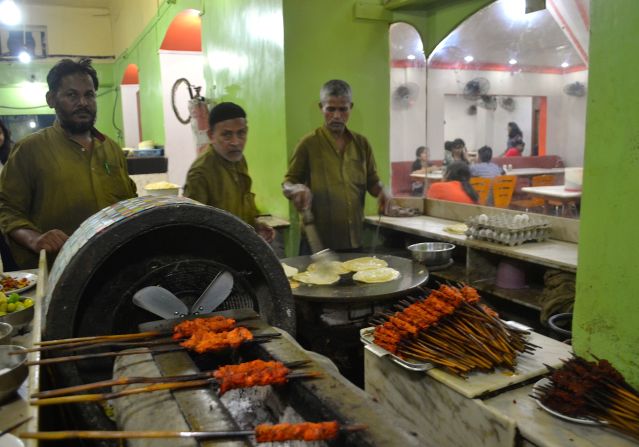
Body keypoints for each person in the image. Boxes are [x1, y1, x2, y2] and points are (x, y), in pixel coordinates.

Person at [0, 58, 137, 269]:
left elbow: (130, 203)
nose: (82, 102)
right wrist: (35, 239)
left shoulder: (112, 150)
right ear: (51, 99)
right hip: (58, 274)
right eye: (72, 95)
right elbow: (7, 209)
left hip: (113, 269)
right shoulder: (30, 150)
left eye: (89, 95)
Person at [282, 79, 386, 252]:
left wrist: (384, 192)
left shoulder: (362, 144)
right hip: (316, 244)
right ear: (321, 107)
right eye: (330, 109)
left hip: (353, 242)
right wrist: (295, 189)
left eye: (342, 109)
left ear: (350, 107)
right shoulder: (308, 144)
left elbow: (373, 181)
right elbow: (287, 182)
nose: (337, 116)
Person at [183, 102, 274, 243]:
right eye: (227, 135)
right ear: (211, 135)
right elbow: (192, 228)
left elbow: (241, 208)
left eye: (241, 133)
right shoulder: (200, 173)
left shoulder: (238, 160)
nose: (236, 142)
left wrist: (255, 227)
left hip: (241, 245)